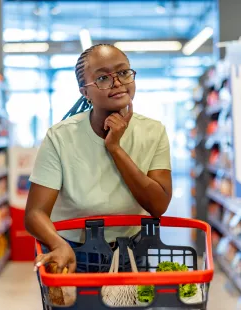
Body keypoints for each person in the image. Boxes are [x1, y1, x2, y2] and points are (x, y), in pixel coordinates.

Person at [25, 44, 172, 276]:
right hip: (74, 250)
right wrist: (58, 244)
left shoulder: (153, 131)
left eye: (124, 72)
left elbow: (158, 204)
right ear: (84, 92)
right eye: (103, 77)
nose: (117, 83)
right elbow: (34, 213)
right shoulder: (60, 137)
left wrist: (115, 148)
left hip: (132, 250)